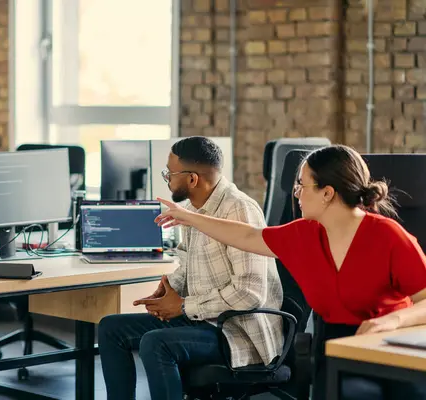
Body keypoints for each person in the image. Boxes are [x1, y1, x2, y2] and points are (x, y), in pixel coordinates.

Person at [155, 144, 426, 400]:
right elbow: (247, 236)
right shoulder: (303, 234)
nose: (296, 193)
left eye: (301, 185)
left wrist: (392, 321)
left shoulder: (387, 237)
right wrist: (189, 216)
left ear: (327, 193)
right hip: (332, 348)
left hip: (386, 347)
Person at [98, 136, 284, 400]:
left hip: (237, 331)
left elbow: (250, 293)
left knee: (155, 343)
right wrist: (168, 291)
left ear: (192, 179)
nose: (167, 179)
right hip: (201, 319)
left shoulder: (238, 209)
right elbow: (188, 264)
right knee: (110, 328)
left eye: (169, 173)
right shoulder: (192, 210)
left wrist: (183, 306)